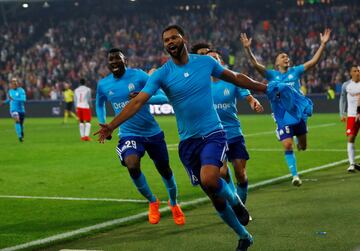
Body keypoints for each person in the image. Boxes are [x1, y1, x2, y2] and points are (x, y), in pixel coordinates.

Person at [95, 25, 268, 251]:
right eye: (166, 40)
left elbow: (236, 77)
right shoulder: (162, 74)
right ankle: (244, 236)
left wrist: (265, 87)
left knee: (209, 179)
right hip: (188, 142)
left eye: (173, 37)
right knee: (213, 195)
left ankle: (236, 202)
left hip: (213, 133)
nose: (170, 42)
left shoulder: (205, 63)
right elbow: (138, 102)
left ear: (183, 39)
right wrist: (111, 126)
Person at [96, 48, 185, 225]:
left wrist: (143, 98)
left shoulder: (139, 76)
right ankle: (153, 201)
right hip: (129, 133)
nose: (114, 62)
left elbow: (163, 97)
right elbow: (99, 103)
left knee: (165, 170)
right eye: (111, 59)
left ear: (125, 60)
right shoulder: (103, 84)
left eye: (117, 58)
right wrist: (103, 122)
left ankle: (174, 203)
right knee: (132, 164)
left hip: (153, 133)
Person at [240, 29, 331, 186]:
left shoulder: (295, 72)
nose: (286, 58)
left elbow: (313, 62)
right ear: (277, 63)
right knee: (288, 145)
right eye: (282, 57)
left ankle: (297, 138)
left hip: (298, 114)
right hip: (282, 116)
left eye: (287, 56)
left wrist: (322, 44)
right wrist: (247, 48)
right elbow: (255, 64)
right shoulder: (272, 75)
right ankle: (295, 176)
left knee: (302, 146)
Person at [207, 49, 264, 205]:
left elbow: (248, 96)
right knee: (222, 171)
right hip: (215, 135)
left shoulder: (231, 80)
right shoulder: (202, 84)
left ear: (220, 62)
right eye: (209, 59)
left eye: (215, 58)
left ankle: (241, 200)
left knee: (240, 173)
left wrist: (254, 103)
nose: (213, 61)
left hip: (233, 132)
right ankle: (235, 204)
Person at [341, 66, 360, 172]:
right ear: (350, 73)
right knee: (351, 138)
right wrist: (342, 113)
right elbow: (342, 99)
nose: (357, 73)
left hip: (358, 113)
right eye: (355, 71)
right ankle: (352, 164)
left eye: (358, 71)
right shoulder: (346, 85)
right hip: (352, 115)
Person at [1, 78, 26, 142]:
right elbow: (9, 99)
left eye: (15, 82)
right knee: (17, 120)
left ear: (17, 83)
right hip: (13, 109)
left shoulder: (21, 90)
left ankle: (21, 132)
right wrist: (3, 102)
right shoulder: (10, 91)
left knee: (21, 124)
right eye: (12, 83)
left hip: (21, 110)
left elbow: (23, 99)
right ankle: (20, 137)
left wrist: (14, 98)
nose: (14, 84)